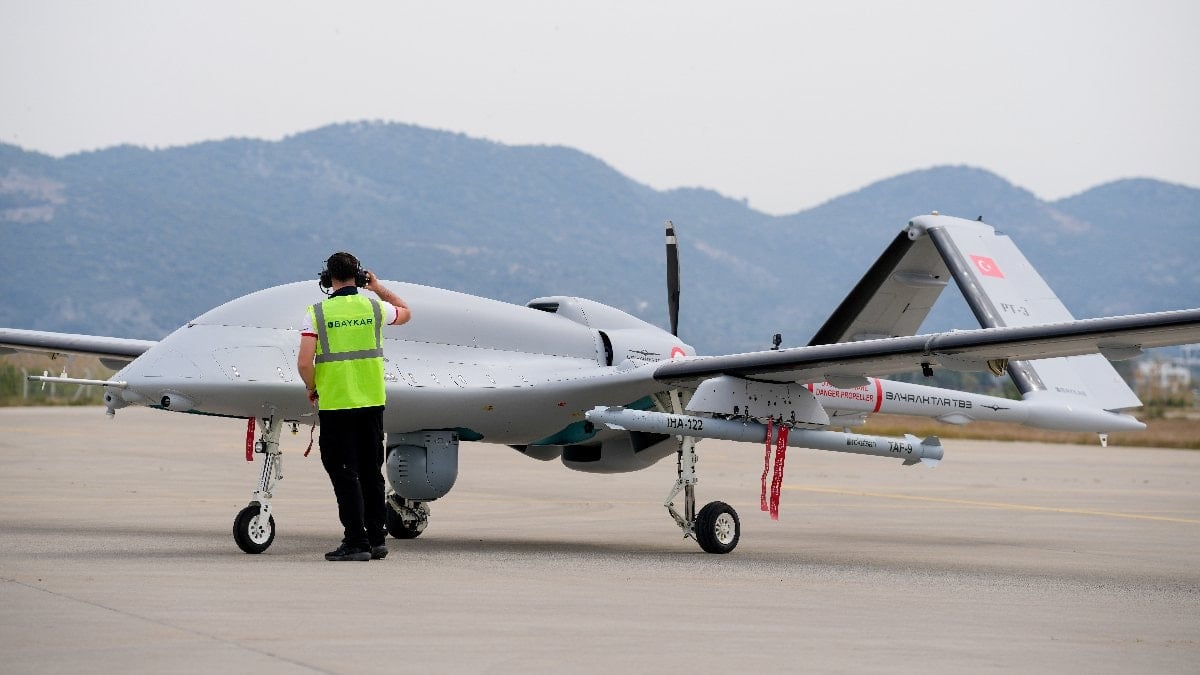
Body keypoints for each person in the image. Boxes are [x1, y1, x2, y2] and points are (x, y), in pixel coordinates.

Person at [297, 252, 411, 562]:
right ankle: (376, 539)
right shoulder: (375, 308)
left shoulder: (316, 314)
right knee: (371, 472)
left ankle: (355, 541)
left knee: (344, 472)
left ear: (327, 278)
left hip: (336, 404)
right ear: (358, 276)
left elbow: (305, 362)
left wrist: (312, 387)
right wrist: (377, 287)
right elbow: (406, 312)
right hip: (371, 403)